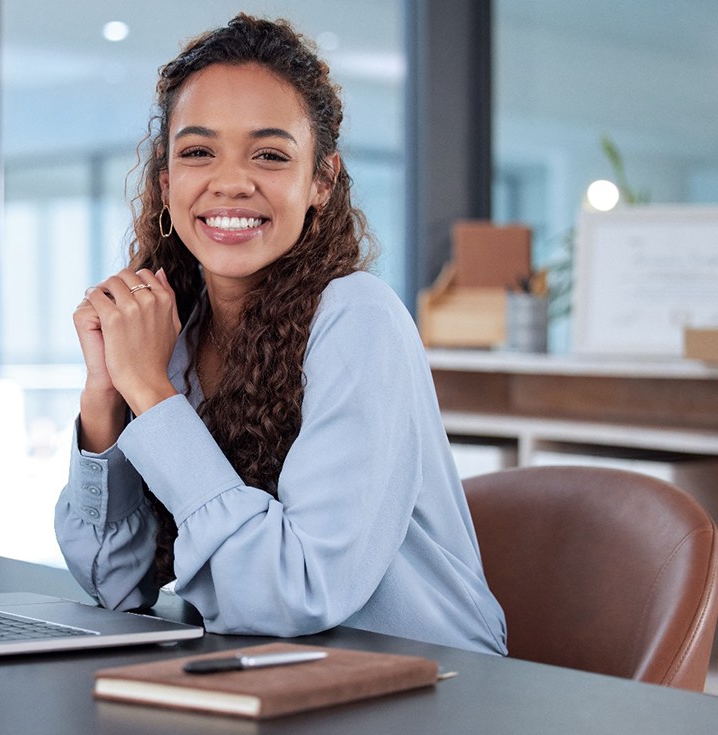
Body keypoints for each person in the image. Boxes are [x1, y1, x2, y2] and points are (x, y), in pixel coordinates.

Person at [56, 13, 507, 655]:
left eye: (269, 154)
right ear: (165, 183)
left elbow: (295, 593)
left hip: (422, 684)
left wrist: (151, 394)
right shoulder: (173, 332)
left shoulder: (359, 319)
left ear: (320, 181)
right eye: (197, 152)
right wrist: (106, 394)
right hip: (272, 673)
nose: (232, 181)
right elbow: (114, 584)